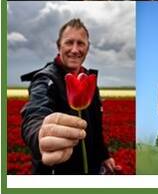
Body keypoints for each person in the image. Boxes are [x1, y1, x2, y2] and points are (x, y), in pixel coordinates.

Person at [20, 18, 120, 174]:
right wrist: (40, 134)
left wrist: (104, 156)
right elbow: (35, 112)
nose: (75, 49)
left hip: (91, 169)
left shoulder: (89, 80)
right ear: (58, 46)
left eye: (80, 43)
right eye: (69, 42)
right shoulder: (45, 78)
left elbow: (95, 126)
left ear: (88, 48)